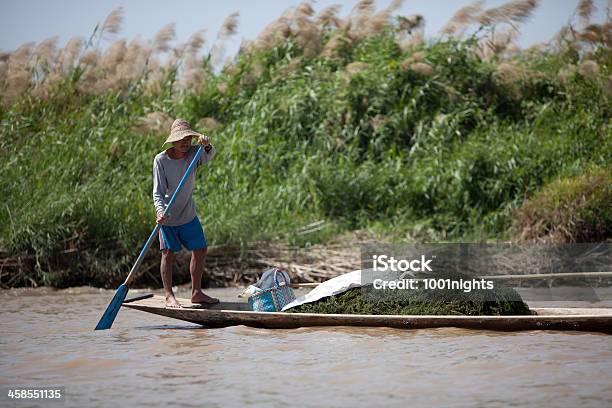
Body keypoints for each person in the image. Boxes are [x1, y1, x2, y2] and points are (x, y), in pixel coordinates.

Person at [153, 119, 219, 308]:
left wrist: (206, 145)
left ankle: (196, 292)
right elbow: (157, 192)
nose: (185, 142)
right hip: (168, 216)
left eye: (189, 138)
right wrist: (160, 212)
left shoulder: (193, 154)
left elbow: (209, 155)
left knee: (200, 249)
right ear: (173, 141)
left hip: (188, 214)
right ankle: (168, 295)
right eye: (181, 139)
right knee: (168, 253)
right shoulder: (161, 160)